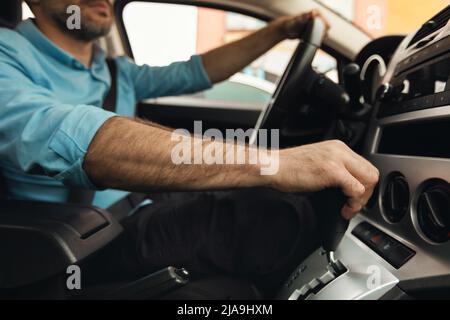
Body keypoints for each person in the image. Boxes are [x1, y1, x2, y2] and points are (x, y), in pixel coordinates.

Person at [0, 0, 379, 297]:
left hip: (144, 202)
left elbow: (196, 71)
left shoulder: (113, 69)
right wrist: (273, 163)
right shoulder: (7, 54)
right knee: (276, 218)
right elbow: (69, 135)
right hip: (81, 244)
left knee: (273, 203)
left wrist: (278, 31)